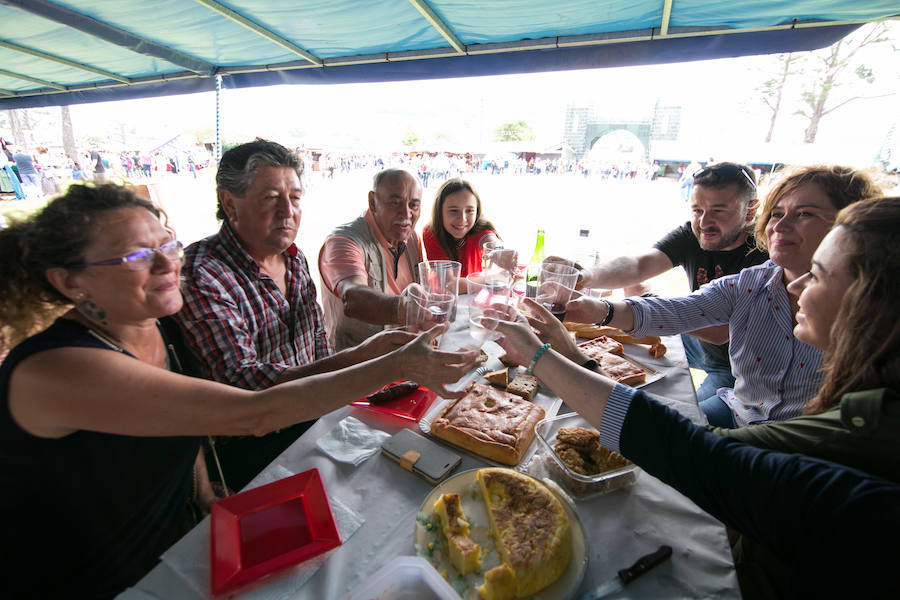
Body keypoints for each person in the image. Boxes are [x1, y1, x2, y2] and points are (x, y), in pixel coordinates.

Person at [0, 183, 475, 598]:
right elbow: (253, 413)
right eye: (136, 257)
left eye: (167, 243)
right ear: (69, 281)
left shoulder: (151, 324)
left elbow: (188, 420)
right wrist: (392, 364)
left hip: (178, 538)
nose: (168, 263)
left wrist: (206, 496)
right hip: (96, 576)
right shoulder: (60, 368)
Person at [489, 196, 900, 599]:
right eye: (778, 213)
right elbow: (668, 313)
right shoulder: (759, 287)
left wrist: (542, 356)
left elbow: (696, 453)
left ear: (873, 302)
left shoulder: (869, 426)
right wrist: (590, 317)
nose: (798, 285)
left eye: (819, 274)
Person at [177, 141, 424, 489]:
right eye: (270, 198)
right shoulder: (204, 274)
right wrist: (366, 357)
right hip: (257, 447)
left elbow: (318, 347)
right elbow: (245, 388)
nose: (287, 211)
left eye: (294, 198)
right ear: (230, 204)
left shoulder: (293, 258)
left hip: (317, 420)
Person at [566, 165, 881, 427]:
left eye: (804, 214)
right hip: (741, 407)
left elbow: (717, 332)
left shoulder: (874, 311)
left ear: (848, 226)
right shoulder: (751, 281)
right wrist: (592, 296)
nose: (781, 225)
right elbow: (667, 296)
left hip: (760, 406)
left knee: (663, 424)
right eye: (778, 214)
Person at [550, 162, 767, 401]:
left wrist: (641, 304)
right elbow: (639, 265)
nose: (704, 222)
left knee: (687, 424)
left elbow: (719, 332)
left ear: (749, 211)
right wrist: (584, 277)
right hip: (697, 345)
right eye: (697, 210)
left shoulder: (764, 256)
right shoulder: (692, 234)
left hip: (734, 367)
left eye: (718, 211)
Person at [318, 168, 424, 350]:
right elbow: (354, 298)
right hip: (358, 364)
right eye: (395, 202)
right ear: (372, 202)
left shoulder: (412, 238)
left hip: (406, 353)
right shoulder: (343, 242)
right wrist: (410, 310)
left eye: (413, 205)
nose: (406, 214)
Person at [422, 178, 506, 284]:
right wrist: (491, 280)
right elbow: (449, 283)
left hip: (473, 297)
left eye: (469, 211)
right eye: (453, 211)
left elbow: (492, 242)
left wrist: (501, 252)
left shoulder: (479, 228)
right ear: (439, 211)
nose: (462, 219)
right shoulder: (431, 233)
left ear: (477, 211)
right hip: (444, 299)